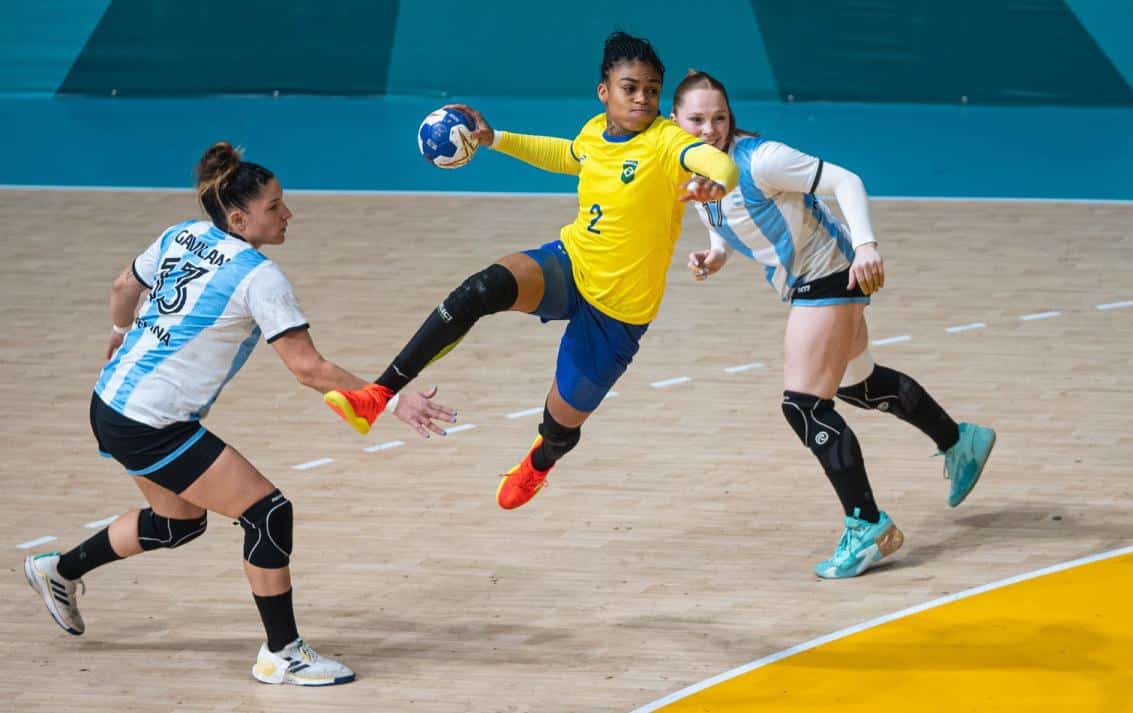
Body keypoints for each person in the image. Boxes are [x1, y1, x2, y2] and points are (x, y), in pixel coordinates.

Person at [22, 142, 455, 685]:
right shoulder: (258, 277)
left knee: (177, 524)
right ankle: (284, 653)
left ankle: (58, 571)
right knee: (268, 512)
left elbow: (123, 286)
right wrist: (393, 398)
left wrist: (118, 332)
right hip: (151, 423)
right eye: (274, 206)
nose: (287, 214)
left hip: (110, 403)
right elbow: (308, 369)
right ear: (238, 217)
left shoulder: (182, 234)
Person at [323, 32, 738, 510]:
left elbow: (714, 163)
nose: (642, 97)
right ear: (604, 91)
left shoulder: (667, 143)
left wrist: (715, 181)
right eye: (630, 87)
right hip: (572, 261)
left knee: (560, 427)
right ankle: (377, 394)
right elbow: (568, 155)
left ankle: (538, 464)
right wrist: (493, 138)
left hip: (619, 311)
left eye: (651, 88)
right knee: (479, 290)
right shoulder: (594, 132)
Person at [670, 71, 996, 578]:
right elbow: (725, 222)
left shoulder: (764, 159)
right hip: (810, 279)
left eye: (719, 117)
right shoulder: (692, 170)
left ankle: (867, 524)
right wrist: (715, 256)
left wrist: (867, 244)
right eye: (697, 119)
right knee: (859, 387)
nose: (709, 128)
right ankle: (960, 440)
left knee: (803, 406)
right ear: (676, 121)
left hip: (832, 274)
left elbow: (847, 181)